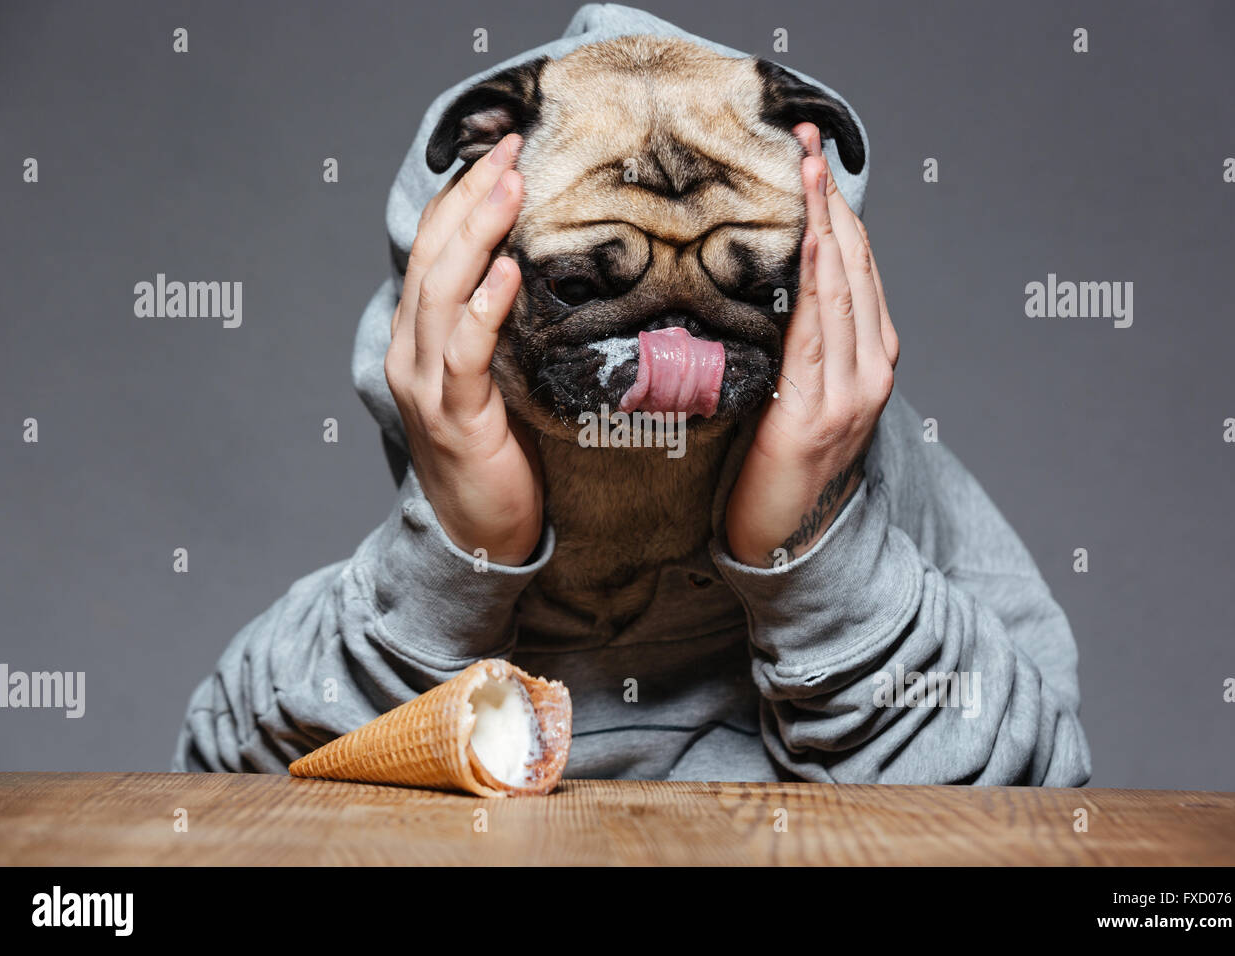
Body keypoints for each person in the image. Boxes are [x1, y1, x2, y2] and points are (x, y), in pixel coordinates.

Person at [173, 4, 1090, 786]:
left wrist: (811, 549)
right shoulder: (442, 536)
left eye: (748, 284)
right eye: (584, 283)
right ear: (457, 260)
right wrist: (461, 551)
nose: (671, 342)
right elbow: (230, 791)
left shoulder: (906, 503)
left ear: (822, 276)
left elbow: (1036, 804)